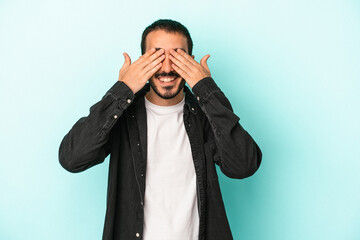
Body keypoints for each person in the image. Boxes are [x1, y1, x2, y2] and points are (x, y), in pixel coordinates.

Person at [58, 19, 262, 240]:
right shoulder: (123, 115)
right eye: (157, 57)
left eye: (176, 57)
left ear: (191, 63)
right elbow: (72, 158)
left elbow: (244, 165)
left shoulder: (205, 115)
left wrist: (206, 88)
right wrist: (123, 90)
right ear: (141, 63)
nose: (166, 68)